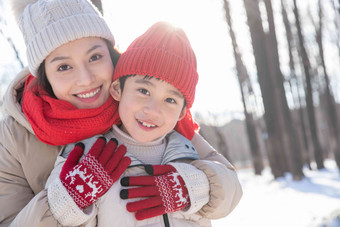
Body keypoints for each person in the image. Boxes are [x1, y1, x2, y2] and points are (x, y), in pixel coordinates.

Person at [0, 0, 242, 226]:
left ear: (112, 53)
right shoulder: (14, 137)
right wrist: (64, 203)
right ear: (44, 78)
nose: (86, 79)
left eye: (95, 57)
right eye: (64, 67)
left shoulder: (144, 103)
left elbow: (230, 186)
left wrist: (195, 186)